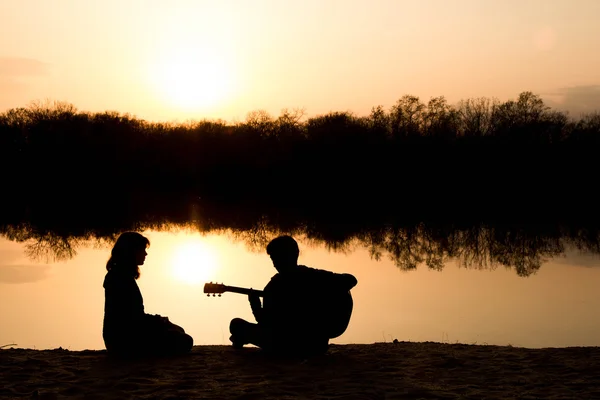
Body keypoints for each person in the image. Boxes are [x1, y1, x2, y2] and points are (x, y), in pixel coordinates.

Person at [229, 235, 358, 357]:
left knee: (237, 325)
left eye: (277, 258)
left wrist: (256, 306)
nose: (275, 264)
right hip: (316, 346)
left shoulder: (302, 278)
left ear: (290, 256)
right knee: (241, 326)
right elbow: (350, 279)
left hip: (290, 344)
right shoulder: (311, 276)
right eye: (273, 259)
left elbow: (350, 280)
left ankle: (241, 339)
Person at [102, 231, 193, 357]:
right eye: (142, 250)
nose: (145, 254)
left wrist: (160, 321)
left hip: (122, 336)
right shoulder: (119, 278)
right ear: (132, 252)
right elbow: (132, 319)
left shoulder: (121, 275)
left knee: (179, 332)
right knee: (185, 341)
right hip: (123, 339)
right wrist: (160, 322)